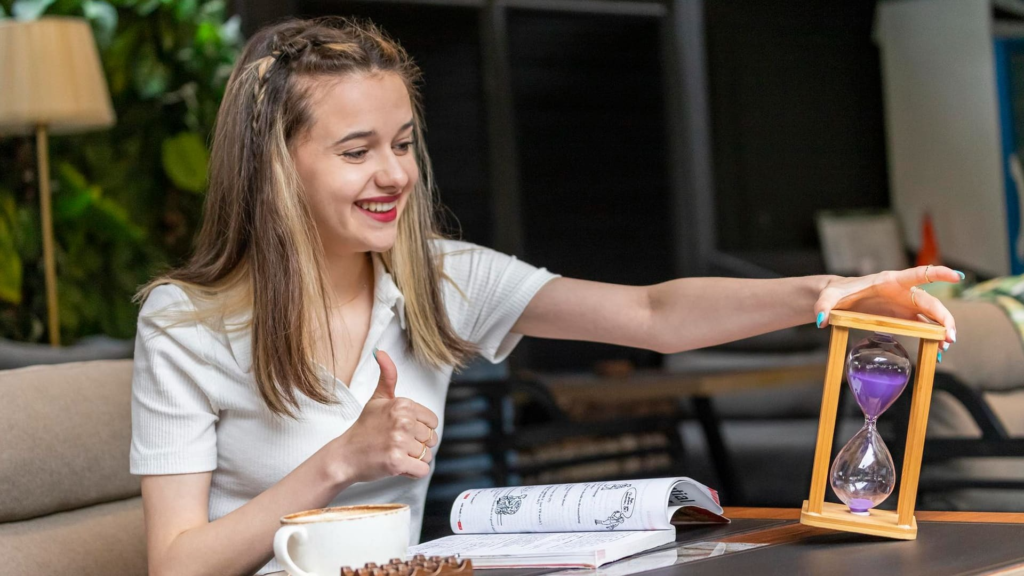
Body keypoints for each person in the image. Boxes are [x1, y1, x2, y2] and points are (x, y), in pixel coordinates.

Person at [129, 17, 962, 576]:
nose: (395, 175)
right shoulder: (185, 323)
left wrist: (828, 290)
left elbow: (650, 317)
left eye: (405, 143)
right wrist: (340, 460)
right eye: (357, 151)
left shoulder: (435, 277)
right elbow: (175, 561)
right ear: (279, 165)